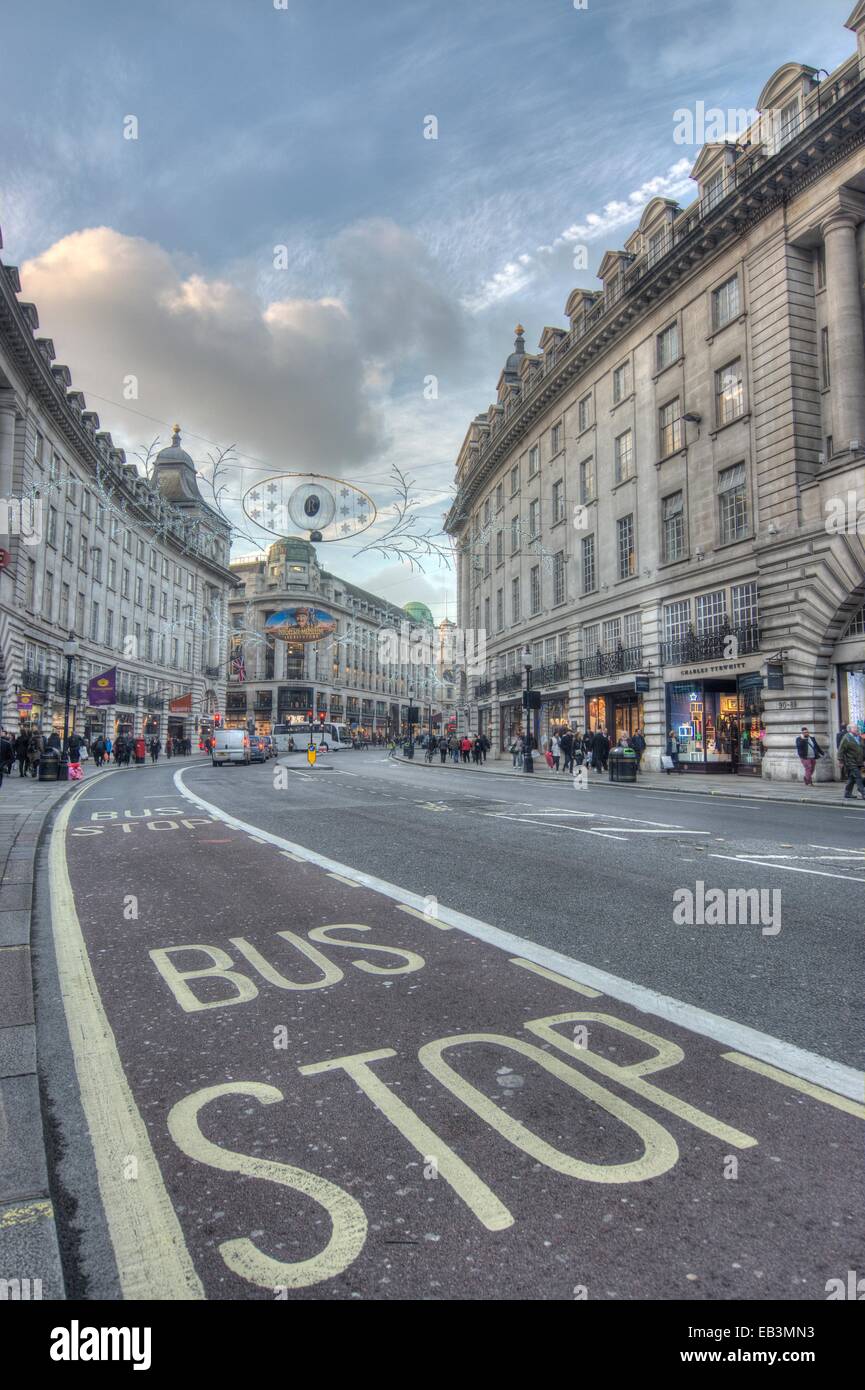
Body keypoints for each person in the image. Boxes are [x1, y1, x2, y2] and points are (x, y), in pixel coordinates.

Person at [838, 723, 865, 800]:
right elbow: (841, 750)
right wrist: (840, 761)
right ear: (850, 729)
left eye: (857, 727)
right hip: (850, 761)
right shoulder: (846, 738)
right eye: (855, 728)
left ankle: (847, 793)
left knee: (852, 778)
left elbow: (863, 749)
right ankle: (863, 793)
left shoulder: (859, 737)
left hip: (859, 761)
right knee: (858, 777)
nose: (857, 729)